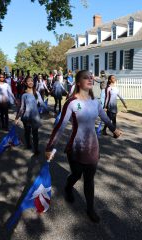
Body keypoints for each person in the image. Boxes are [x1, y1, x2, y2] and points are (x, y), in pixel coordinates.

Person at [45, 70, 122, 223]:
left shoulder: (95, 102)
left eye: (91, 77)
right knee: (76, 175)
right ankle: (68, 187)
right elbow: (60, 127)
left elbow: (105, 117)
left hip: (93, 147)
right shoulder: (72, 102)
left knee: (89, 179)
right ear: (78, 82)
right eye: (86, 77)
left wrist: (114, 129)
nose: (90, 79)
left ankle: (90, 208)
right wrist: (49, 147)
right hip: (76, 148)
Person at [15, 76, 48, 155]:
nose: (31, 82)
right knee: (27, 132)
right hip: (26, 117)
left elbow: (42, 103)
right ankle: (29, 145)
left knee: (35, 133)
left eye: (32, 81)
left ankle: (36, 149)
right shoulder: (24, 95)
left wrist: (47, 110)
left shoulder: (36, 93)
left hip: (35, 117)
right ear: (26, 83)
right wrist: (17, 117)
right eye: (29, 81)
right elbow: (22, 108)